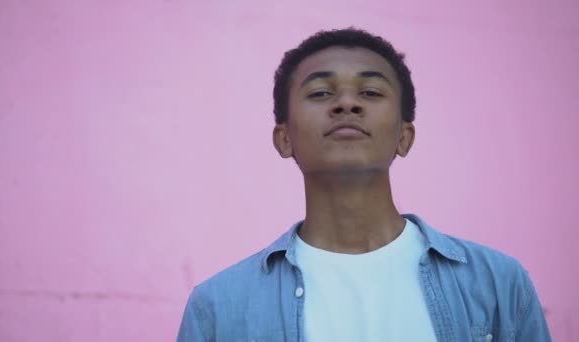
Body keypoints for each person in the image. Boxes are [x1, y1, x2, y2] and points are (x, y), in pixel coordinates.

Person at [177, 28, 551, 341]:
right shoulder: (218, 308)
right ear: (284, 138)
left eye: (370, 93)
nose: (346, 104)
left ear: (404, 137)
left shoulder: (498, 283)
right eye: (321, 93)